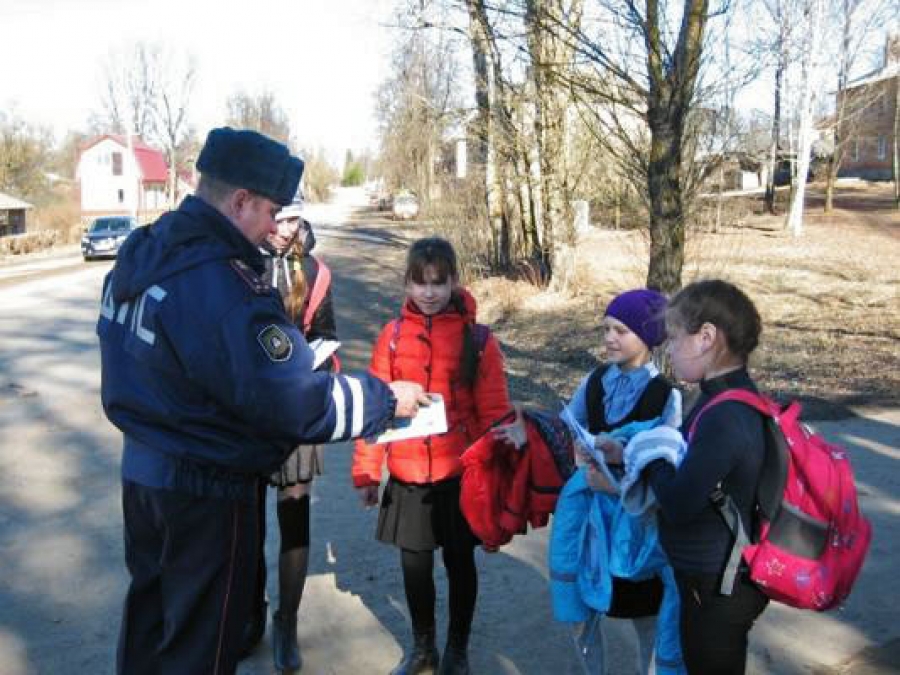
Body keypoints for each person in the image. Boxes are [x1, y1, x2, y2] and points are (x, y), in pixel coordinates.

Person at [97, 127, 429, 675]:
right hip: (204, 491)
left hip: (144, 477)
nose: (276, 225)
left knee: (151, 624)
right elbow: (297, 401)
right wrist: (386, 399)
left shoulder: (146, 252)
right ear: (240, 200)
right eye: (271, 210)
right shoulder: (221, 285)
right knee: (200, 647)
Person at [351, 237, 511, 675]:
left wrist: (494, 481)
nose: (429, 292)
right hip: (406, 474)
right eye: (420, 282)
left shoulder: (478, 340)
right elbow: (373, 410)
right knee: (414, 567)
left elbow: (494, 414)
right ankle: (424, 647)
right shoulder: (391, 336)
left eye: (438, 282)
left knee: (460, 565)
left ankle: (457, 649)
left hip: (459, 474)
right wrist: (367, 473)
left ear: (454, 282)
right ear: (406, 284)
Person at [637, 279, 768, 674]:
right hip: (711, 577)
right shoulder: (721, 397)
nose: (668, 348)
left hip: (718, 586)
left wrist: (650, 454)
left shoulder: (726, 415)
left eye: (675, 337)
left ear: (707, 337)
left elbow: (678, 501)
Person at [557, 289, 683, 674]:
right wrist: (577, 448)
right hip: (591, 521)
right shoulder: (595, 381)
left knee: (644, 611)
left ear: (647, 337)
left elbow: (668, 462)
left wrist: (617, 482)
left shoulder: (666, 395)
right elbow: (571, 425)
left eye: (621, 330)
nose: (610, 338)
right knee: (584, 609)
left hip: (636, 525)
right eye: (607, 329)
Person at [249, 204, 339, 671]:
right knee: (245, 523)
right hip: (244, 414)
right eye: (278, 218)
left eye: (294, 221)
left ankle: (286, 623)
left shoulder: (316, 272)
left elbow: (327, 336)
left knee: (294, 516)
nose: (284, 230)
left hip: (296, 411)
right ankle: (249, 614)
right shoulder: (237, 262)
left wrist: (315, 364)